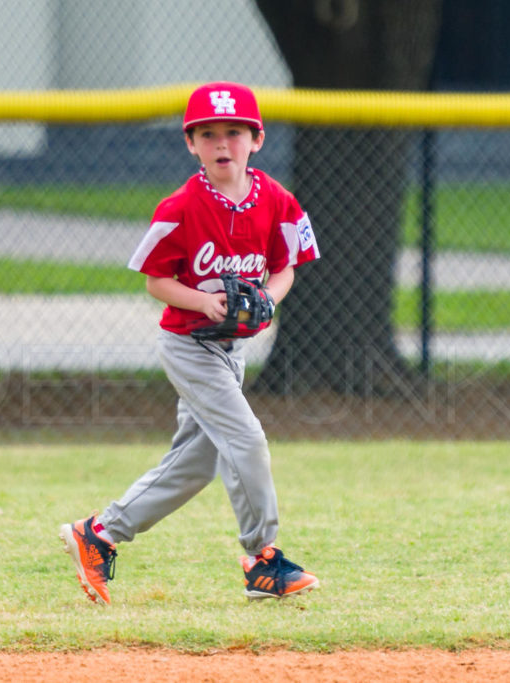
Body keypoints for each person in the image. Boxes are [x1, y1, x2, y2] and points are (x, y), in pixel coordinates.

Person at [59, 81, 321, 604]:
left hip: (231, 349)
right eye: (208, 134)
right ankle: (263, 559)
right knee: (246, 439)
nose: (222, 144)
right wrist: (202, 302)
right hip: (188, 344)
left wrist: (269, 297)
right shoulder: (179, 207)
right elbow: (156, 281)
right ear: (190, 143)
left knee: (197, 463)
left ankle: (99, 533)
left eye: (234, 133)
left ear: (257, 138)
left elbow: (285, 267)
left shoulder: (277, 200)